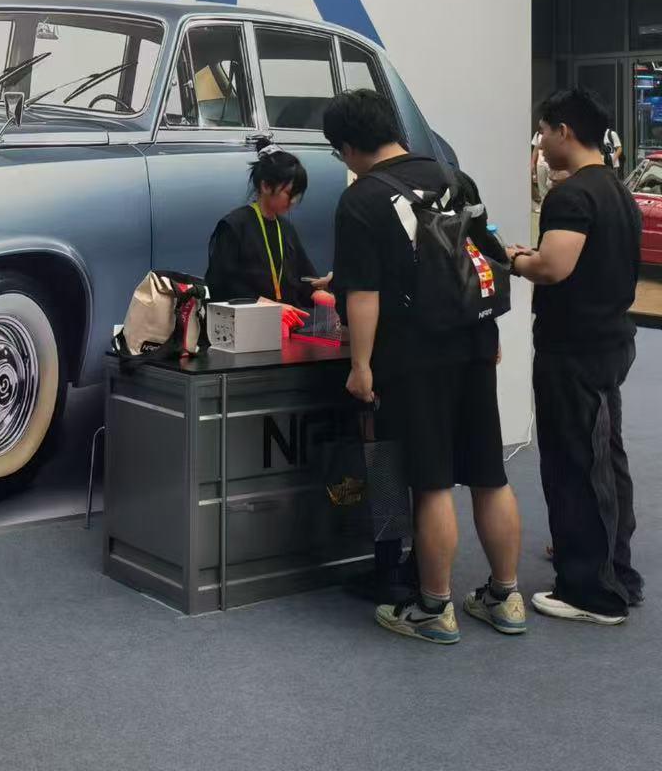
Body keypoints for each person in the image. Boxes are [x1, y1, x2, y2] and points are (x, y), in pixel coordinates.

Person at [323, 89, 523, 645]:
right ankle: (505, 596)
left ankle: (434, 607)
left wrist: (360, 365)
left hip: (414, 355)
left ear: (347, 147)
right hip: (474, 342)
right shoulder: (457, 179)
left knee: (431, 481)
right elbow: (486, 262)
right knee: (489, 473)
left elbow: (363, 294)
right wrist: (489, 335)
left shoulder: (361, 199)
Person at [508, 88, 644, 625]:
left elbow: (553, 268)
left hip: (575, 348)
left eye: (543, 132)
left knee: (575, 463)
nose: (540, 144)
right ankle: (615, 570)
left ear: (564, 130)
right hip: (609, 340)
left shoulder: (571, 196)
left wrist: (514, 260)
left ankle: (592, 591)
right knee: (605, 457)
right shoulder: (616, 190)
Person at [205, 138, 330, 309]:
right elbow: (221, 284)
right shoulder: (234, 226)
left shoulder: (286, 229)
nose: (294, 200)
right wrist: (264, 304)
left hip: (284, 320)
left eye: (297, 195)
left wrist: (333, 300)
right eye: (289, 193)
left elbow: (304, 280)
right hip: (245, 321)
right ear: (265, 186)